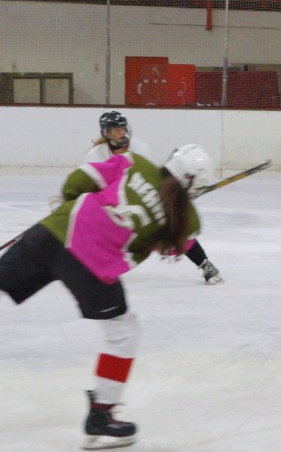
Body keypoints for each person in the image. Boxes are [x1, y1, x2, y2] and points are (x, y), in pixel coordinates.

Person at [0, 144, 214, 450]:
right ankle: (101, 415)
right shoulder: (185, 218)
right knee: (124, 332)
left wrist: (72, 209)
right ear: (192, 183)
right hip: (90, 265)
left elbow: (79, 180)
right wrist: (177, 210)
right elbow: (171, 249)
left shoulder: (135, 161)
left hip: (53, 232)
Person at [88, 111, 223, 284]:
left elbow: (152, 178)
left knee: (174, 228)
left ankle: (205, 264)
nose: (121, 132)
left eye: (123, 128)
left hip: (140, 194)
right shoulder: (96, 155)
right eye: (116, 129)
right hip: (115, 199)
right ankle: (92, 267)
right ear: (106, 133)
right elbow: (93, 184)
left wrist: (172, 198)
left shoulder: (140, 148)